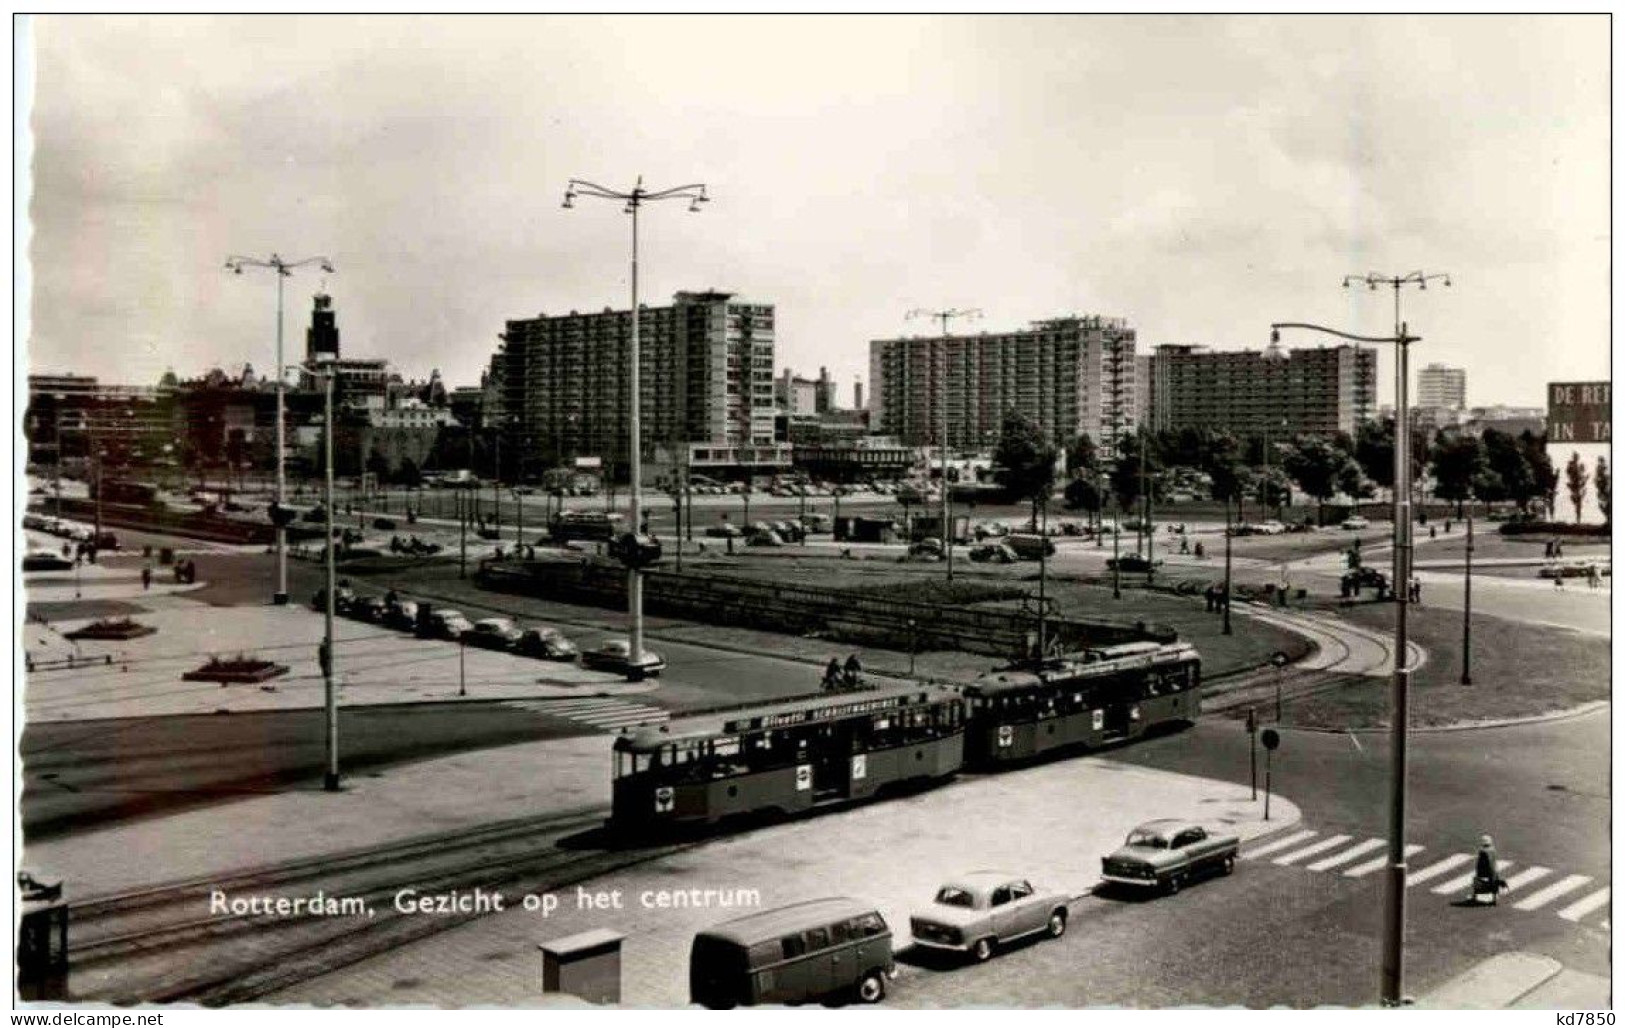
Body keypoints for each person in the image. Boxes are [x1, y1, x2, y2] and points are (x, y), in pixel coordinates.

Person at [1470, 835, 1507, 906]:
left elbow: (1480, 863)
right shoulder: (1493, 850)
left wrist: (1478, 871)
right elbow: (1493, 862)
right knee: (1494, 883)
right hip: (1493, 872)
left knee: (1476, 881)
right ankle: (1494, 898)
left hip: (1484, 872)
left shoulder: (1482, 851)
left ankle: (1475, 897)